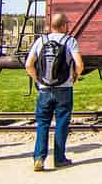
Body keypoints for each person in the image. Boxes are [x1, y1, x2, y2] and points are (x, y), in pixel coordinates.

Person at [25, 13, 84, 172]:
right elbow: (79, 65)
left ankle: (39, 157)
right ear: (64, 25)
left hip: (44, 89)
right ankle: (59, 159)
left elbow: (29, 64)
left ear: (52, 25)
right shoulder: (70, 41)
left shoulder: (41, 41)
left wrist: (38, 80)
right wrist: (75, 77)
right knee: (62, 123)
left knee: (43, 123)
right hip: (64, 88)